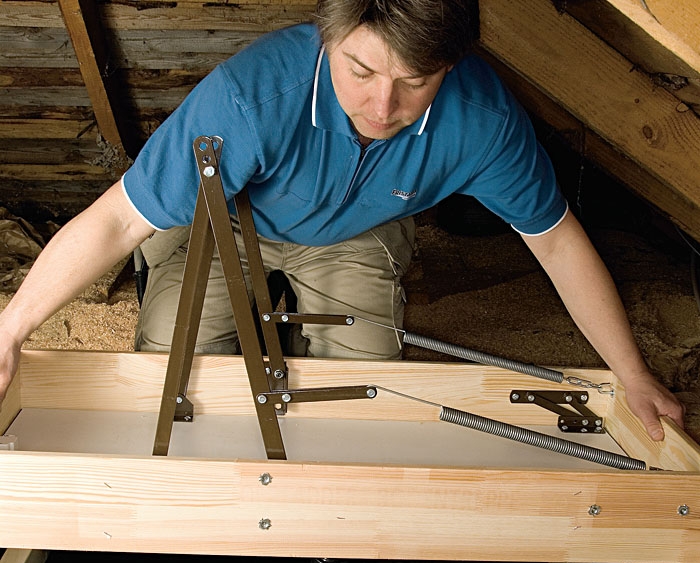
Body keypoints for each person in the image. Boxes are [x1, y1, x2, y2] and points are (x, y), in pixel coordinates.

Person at [0, 0, 684, 440]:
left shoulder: (484, 121)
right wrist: (9, 332)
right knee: (171, 373)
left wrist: (632, 374)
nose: (383, 108)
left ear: (450, 66)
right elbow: (120, 220)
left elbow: (557, 241)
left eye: (414, 82)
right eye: (361, 71)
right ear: (327, 40)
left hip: (357, 228)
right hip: (226, 219)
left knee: (365, 398)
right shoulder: (251, 97)